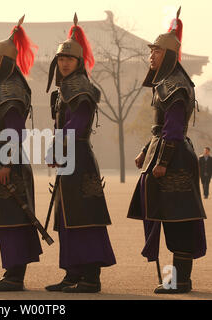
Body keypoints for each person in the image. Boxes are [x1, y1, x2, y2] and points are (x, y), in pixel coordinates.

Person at [127, 8, 207, 294]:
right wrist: (145, 151)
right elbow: (158, 128)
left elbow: (172, 129)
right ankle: (172, 280)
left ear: (170, 55)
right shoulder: (165, 83)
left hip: (175, 161)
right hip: (164, 154)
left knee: (178, 223)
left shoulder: (175, 85)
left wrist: (161, 161)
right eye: (152, 50)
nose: (152, 55)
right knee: (165, 220)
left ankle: (179, 281)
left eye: (157, 51)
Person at [44, 13, 116, 293]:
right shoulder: (65, 87)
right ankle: (72, 273)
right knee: (66, 219)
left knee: (84, 217)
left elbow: (76, 125)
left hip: (80, 159)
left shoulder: (81, 89)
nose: (64, 63)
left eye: (69, 59)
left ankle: (90, 277)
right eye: (61, 59)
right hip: (68, 159)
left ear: (78, 62)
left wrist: (57, 147)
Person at [0, 15, 43, 292]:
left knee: (13, 220)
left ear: (7, 60)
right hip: (5, 163)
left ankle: (14, 276)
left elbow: (14, 132)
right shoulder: (6, 86)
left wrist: (5, 163)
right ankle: (12, 273)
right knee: (10, 219)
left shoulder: (10, 88)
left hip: (9, 166)